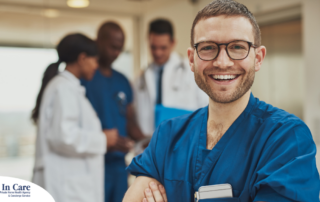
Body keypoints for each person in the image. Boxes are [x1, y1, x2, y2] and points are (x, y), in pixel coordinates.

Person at [123, 0, 320, 201]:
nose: (222, 62)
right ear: (192, 59)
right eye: (208, 47)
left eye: (237, 47)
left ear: (258, 58)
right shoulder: (168, 136)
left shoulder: (286, 139)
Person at [31, 33, 115, 202]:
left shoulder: (68, 87)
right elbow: (63, 136)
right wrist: (103, 139)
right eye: (94, 60)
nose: (96, 66)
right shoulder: (63, 89)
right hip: (65, 187)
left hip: (69, 185)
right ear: (82, 58)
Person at [81, 22, 146, 202]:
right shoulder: (84, 78)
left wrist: (147, 140)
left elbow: (129, 120)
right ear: (98, 41)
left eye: (120, 49)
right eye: (113, 47)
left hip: (118, 166)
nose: (116, 53)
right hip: (91, 163)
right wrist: (103, 139)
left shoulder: (123, 81)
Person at [134, 19, 208, 137]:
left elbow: (206, 109)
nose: (158, 53)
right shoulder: (141, 78)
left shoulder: (191, 71)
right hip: (150, 144)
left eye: (163, 48)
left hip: (184, 141)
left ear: (173, 43)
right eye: (153, 47)